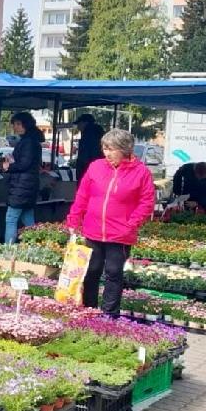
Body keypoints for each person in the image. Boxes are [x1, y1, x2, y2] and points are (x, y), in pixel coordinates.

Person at [65, 128, 157, 315]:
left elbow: (146, 202)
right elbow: (82, 195)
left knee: (113, 273)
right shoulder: (95, 167)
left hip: (120, 234)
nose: (106, 153)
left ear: (124, 149)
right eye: (105, 148)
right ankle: (89, 310)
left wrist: (131, 224)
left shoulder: (141, 172)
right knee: (91, 271)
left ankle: (109, 315)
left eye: (111, 149)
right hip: (93, 230)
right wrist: (74, 219)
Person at [3, 112, 44, 244]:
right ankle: (35, 250)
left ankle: (8, 253)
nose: (15, 127)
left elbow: (24, 164)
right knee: (28, 220)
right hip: (29, 186)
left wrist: (9, 166)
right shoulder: (33, 141)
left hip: (21, 187)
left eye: (17, 124)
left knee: (11, 219)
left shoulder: (28, 142)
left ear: (24, 124)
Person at [73, 114, 104, 178]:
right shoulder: (98, 133)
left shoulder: (88, 135)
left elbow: (84, 155)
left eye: (79, 123)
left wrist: (81, 170)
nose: (78, 126)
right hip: (98, 167)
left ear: (85, 123)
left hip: (87, 170)